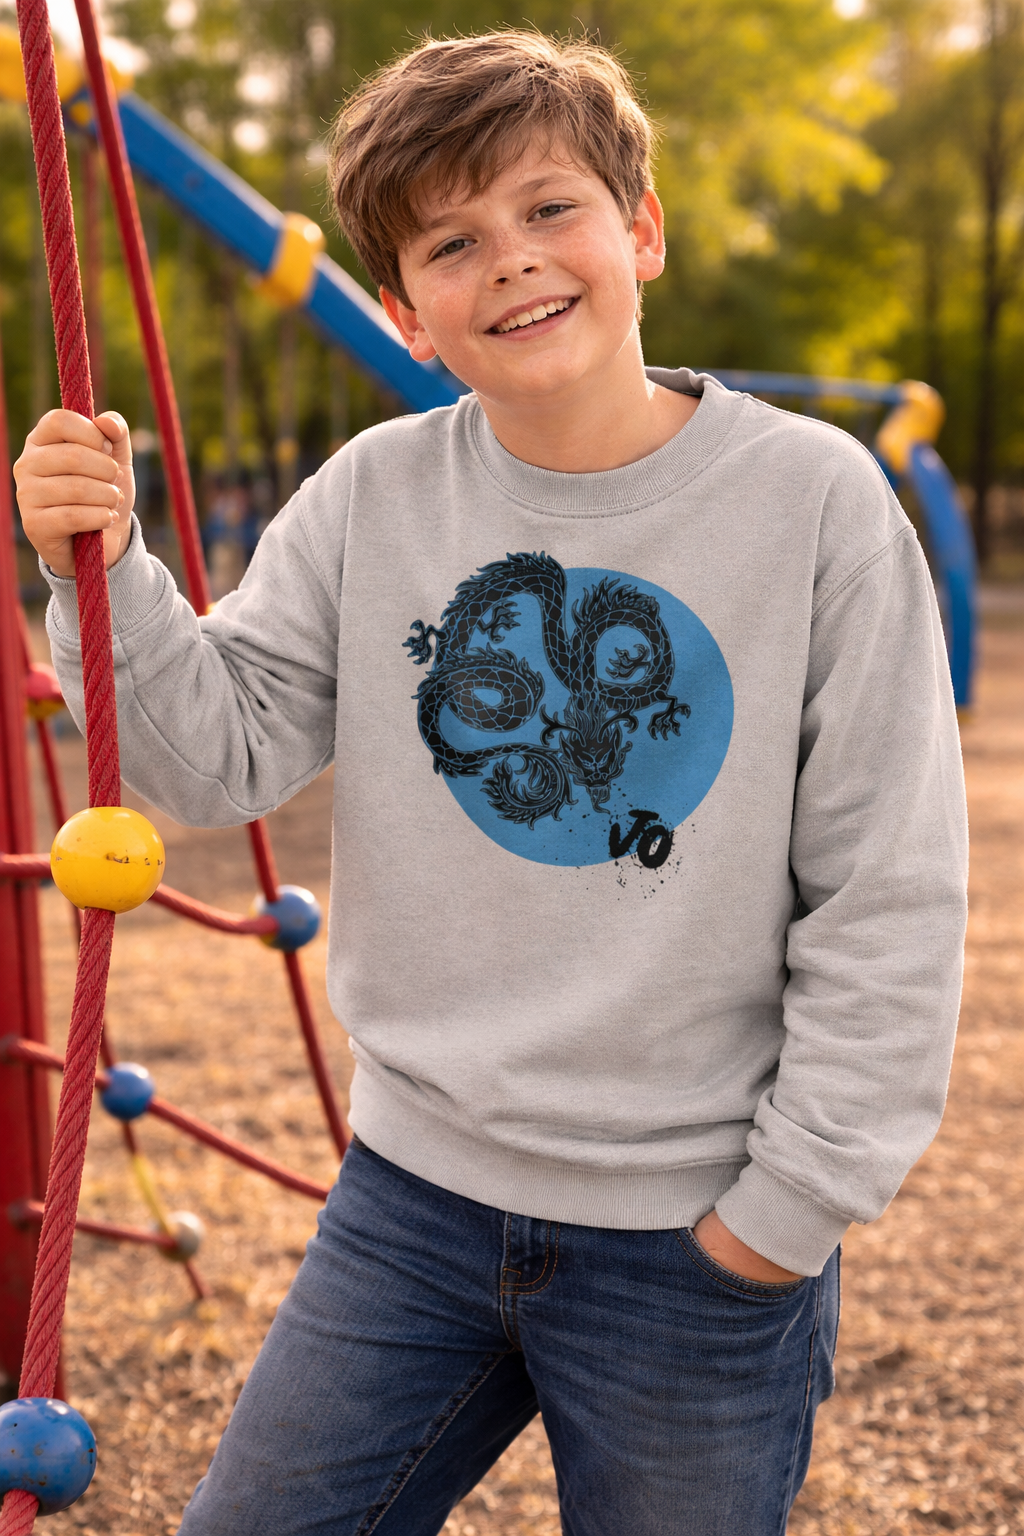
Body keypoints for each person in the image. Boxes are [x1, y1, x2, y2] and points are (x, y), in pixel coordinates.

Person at [15, 31, 968, 1536]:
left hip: (694, 1230)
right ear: (404, 313)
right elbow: (215, 751)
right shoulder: (376, 496)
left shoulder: (813, 506)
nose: (512, 262)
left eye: (548, 208)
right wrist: (104, 566)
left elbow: (889, 892)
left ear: (641, 229)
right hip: (413, 1201)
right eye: (452, 244)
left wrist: (781, 1223)